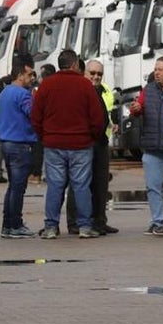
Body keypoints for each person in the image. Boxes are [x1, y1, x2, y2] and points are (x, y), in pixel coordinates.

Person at [31, 49, 106, 239]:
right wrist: (91, 137)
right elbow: (97, 118)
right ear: (74, 64)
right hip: (81, 144)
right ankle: (84, 226)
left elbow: (35, 116)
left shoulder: (47, 85)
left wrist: (45, 136)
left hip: (53, 144)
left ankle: (51, 227)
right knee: (81, 186)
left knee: (55, 186)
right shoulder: (85, 85)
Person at [65, 59, 117, 236]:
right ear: (84, 73)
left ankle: (99, 221)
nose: (96, 77)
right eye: (92, 73)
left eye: (99, 74)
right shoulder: (78, 91)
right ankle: (74, 222)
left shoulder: (103, 91)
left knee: (101, 183)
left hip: (101, 142)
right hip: (83, 142)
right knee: (79, 183)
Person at [130, 56, 163, 236]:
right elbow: (139, 108)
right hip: (152, 147)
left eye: (161, 69)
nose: (156, 73)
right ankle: (158, 221)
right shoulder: (148, 90)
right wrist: (135, 109)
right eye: (155, 69)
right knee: (153, 186)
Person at [0, 57, 39, 238]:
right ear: (20, 75)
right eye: (29, 74)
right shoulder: (23, 94)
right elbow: (33, 114)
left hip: (6, 143)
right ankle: (15, 224)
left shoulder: (5, 92)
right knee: (18, 187)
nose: (32, 78)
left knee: (12, 186)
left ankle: (8, 224)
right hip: (20, 144)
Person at [29, 63, 55, 185]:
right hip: (54, 124)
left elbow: (34, 107)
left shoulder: (38, 90)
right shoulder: (58, 88)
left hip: (42, 124)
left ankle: (37, 174)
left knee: (39, 150)